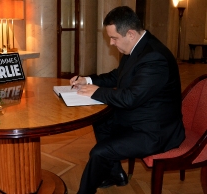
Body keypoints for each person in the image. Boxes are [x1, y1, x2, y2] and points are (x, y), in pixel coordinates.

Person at [70, 6, 185, 194]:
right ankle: (116, 173)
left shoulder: (154, 57)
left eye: (114, 38)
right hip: (140, 116)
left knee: (99, 153)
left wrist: (96, 92)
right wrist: (88, 80)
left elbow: (130, 98)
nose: (111, 43)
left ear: (130, 33)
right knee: (100, 120)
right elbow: (118, 76)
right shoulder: (137, 47)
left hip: (155, 132)